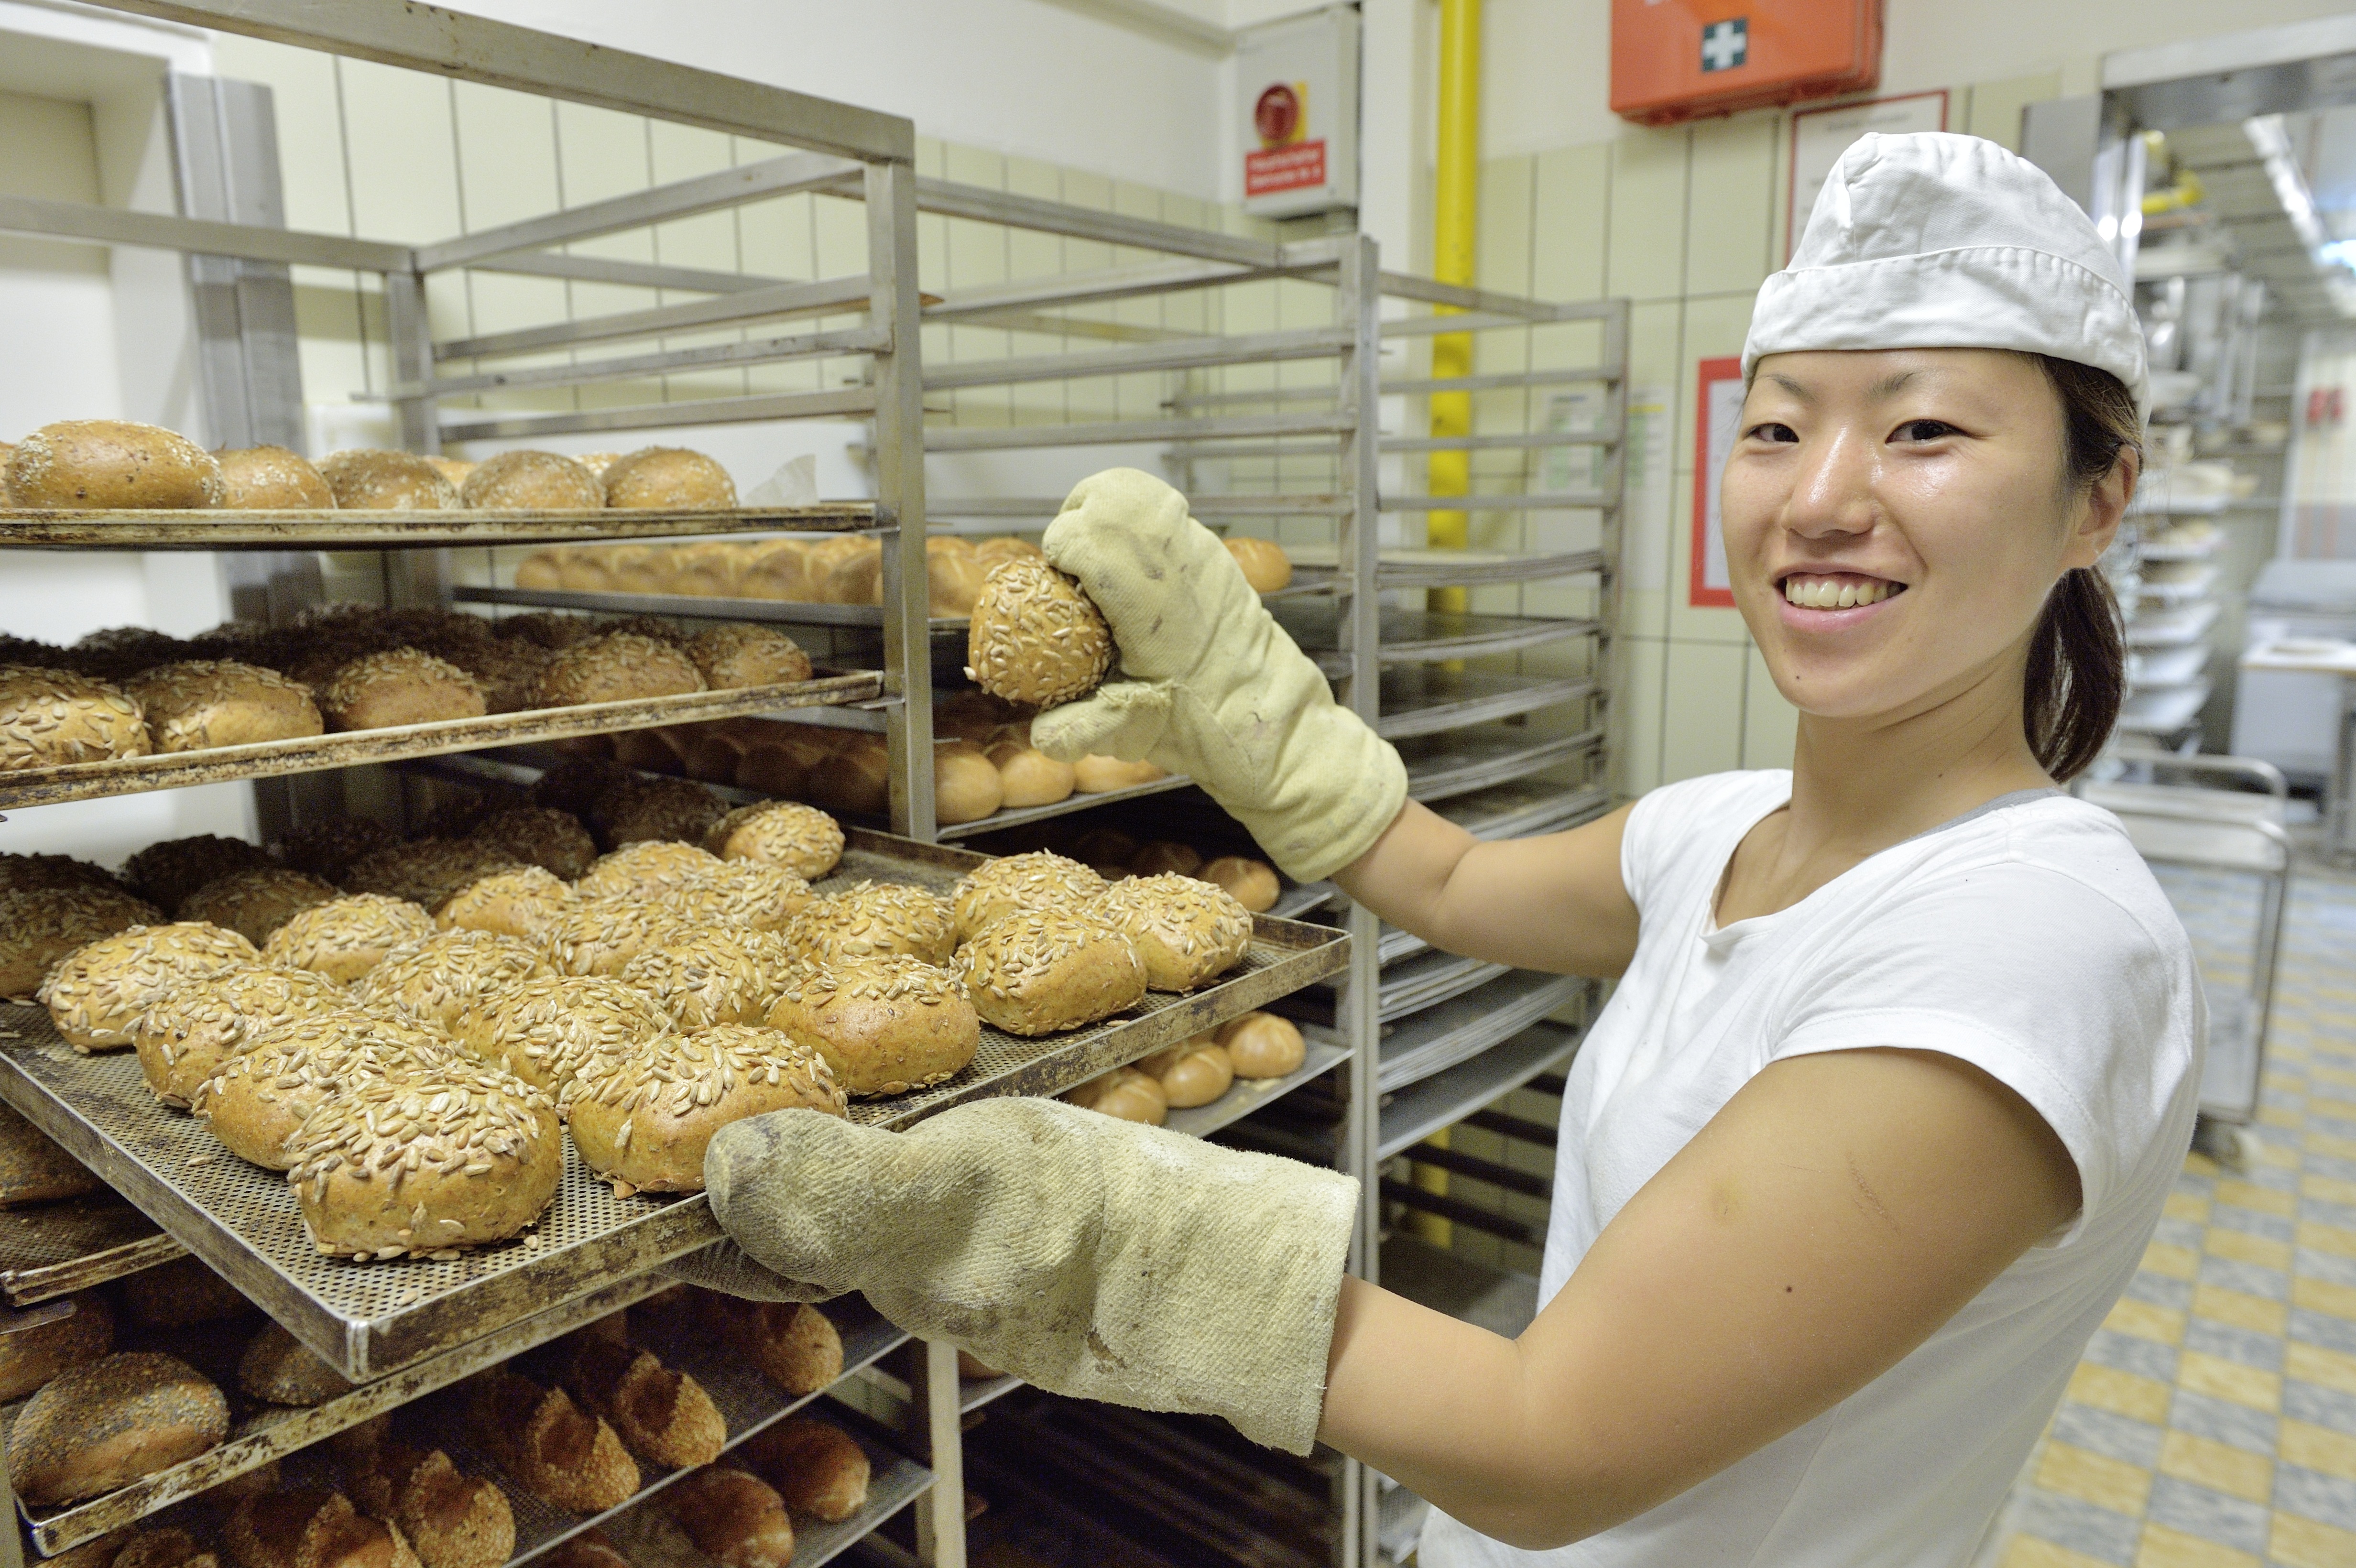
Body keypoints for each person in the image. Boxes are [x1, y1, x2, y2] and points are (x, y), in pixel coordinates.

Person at [681, 133, 2203, 1566]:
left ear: (2097, 499)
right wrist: (1259, 716)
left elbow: (1550, 1440)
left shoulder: (2030, 945)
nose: (1819, 499)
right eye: (1778, 426)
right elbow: (1455, 884)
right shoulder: (1724, 828)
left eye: (1924, 429)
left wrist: (1077, 1226)